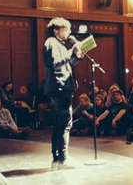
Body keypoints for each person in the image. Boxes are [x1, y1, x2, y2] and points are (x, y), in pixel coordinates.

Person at [42, 17, 85, 168]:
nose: (68, 32)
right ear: (56, 30)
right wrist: (70, 51)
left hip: (60, 88)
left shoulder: (58, 44)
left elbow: (66, 64)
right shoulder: (51, 43)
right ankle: (64, 158)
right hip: (59, 88)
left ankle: (58, 156)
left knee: (60, 124)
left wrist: (77, 57)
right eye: (65, 29)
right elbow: (56, 62)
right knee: (65, 123)